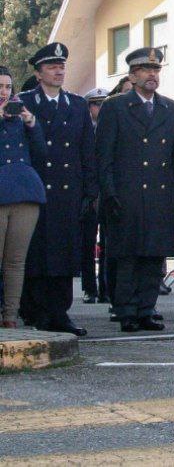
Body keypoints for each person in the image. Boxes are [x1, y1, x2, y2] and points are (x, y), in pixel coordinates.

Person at [95, 48, 174, 332]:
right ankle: (126, 311)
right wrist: (109, 193)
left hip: (160, 194)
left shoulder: (170, 108)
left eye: (156, 70)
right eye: (146, 70)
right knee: (128, 257)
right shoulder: (115, 107)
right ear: (132, 76)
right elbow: (104, 156)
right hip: (127, 194)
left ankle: (147, 309)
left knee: (154, 256)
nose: (152, 75)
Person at [18, 43, 96, 337]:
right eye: (51, 66)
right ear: (38, 73)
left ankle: (60, 313)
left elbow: (86, 149)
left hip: (67, 190)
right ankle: (35, 312)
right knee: (37, 253)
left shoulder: (76, 104)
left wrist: (90, 189)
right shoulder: (25, 102)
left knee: (64, 253)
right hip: (37, 188)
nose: (59, 71)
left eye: (61, 66)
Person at [0, 65, 46, 329]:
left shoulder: (20, 118)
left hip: (26, 192)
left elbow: (41, 152)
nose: (4, 92)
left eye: (8, 87)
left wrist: (31, 123)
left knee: (16, 261)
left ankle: (10, 315)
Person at [80, 87, 109, 304]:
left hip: (107, 191)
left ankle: (106, 287)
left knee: (108, 243)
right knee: (87, 242)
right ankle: (90, 288)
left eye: (103, 104)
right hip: (90, 192)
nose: (99, 108)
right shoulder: (84, 129)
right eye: (96, 104)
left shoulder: (111, 127)